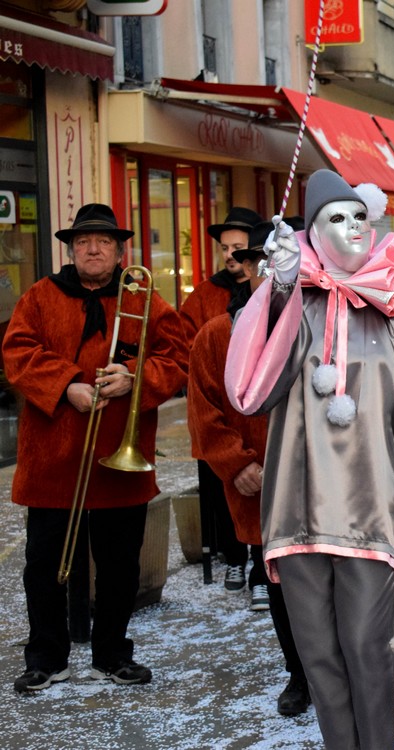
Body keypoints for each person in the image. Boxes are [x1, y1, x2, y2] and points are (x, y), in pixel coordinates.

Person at [224, 170, 394, 749]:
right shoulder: (289, 300)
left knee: (372, 651)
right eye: (336, 219)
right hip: (298, 505)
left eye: (360, 217)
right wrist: (282, 292)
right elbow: (252, 386)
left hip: (371, 505)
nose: (353, 228)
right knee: (318, 656)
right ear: (309, 233)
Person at [3, 203, 188, 693]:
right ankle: (46, 657)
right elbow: (17, 352)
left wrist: (135, 379)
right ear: (70, 249)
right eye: (83, 241)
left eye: (102, 242)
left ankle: (111, 654)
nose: (92, 249)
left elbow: (176, 358)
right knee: (43, 566)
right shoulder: (40, 296)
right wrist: (66, 385)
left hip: (118, 460)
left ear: (119, 251)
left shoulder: (144, 295)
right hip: (51, 458)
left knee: (120, 567)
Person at [186, 222, 310, 715]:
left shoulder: (328, 325)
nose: (273, 273)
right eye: (265, 265)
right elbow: (203, 409)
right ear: (254, 272)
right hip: (260, 481)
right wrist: (236, 463)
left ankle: (343, 669)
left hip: (328, 480)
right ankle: (299, 674)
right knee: (281, 583)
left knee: (336, 580)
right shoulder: (219, 333)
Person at [182, 206, 264, 597]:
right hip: (230, 434)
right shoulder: (206, 300)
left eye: (238, 246)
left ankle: (259, 573)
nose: (230, 254)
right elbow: (187, 352)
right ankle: (235, 559)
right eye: (226, 248)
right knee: (226, 500)